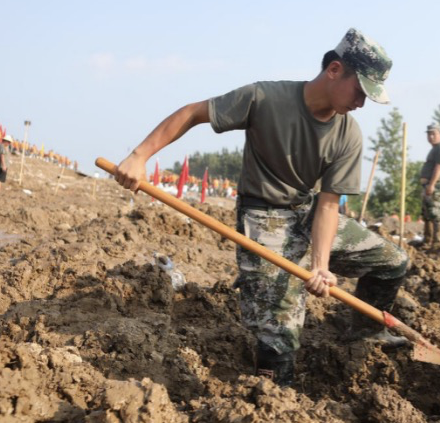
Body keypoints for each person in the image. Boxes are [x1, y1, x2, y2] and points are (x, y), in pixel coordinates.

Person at [113, 28, 409, 387]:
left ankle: (363, 337)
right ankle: (272, 397)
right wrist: (139, 156)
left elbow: (329, 206)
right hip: (262, 215)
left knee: (393, 263)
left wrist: (320, 266)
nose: (361, 103)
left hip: (308, 211)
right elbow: (193, 113)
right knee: (278, 331)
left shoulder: (349, 134)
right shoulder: (265, 97)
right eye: (359, 91)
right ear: (334, 70)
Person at [418, 123, 440, 246]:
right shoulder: (435, 148)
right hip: (429, 185)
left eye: (433, 133)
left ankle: (437, 242)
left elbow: (439, 167)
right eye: (429, 134)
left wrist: (432, 184)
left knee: (435, 213)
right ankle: (427, 240)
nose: (431, 136)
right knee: (427, 213)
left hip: (435, 184)